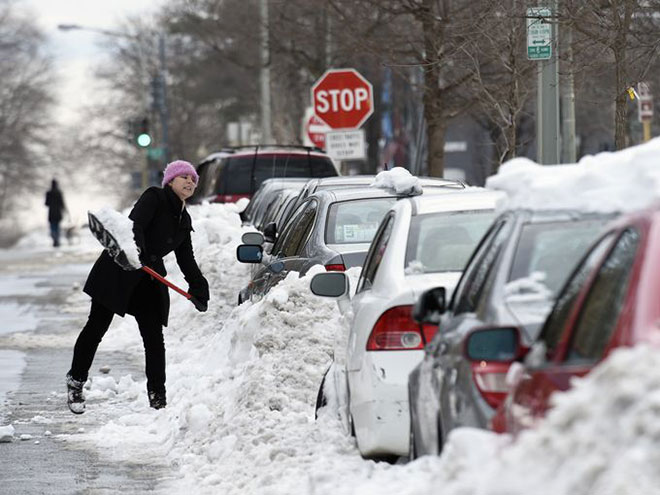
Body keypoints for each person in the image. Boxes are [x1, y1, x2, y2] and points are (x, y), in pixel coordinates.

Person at [66, 160, 209, 414]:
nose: (190, 181)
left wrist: (198, 286)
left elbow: (186, 258)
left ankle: (158, 399)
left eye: (193, 179)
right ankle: (76, 382)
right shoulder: (154, 197)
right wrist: (138, 253)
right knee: (96, 327)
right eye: (184, 177)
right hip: (119, 269)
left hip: (149, 278)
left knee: (154, 339)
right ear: (170, 180)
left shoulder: (183, 220)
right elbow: (135, 226)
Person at [45, 179, 66, 247]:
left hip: (51, 213)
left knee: (52, 227)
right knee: (57, 227)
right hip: (58, 213)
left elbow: (46, 203)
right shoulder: (59, 192)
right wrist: (65, 210)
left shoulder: (48, 193)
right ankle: (57, 240)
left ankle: (55, 240)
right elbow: (62, 203)